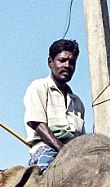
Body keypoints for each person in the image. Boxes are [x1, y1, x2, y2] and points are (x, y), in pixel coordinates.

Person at [23, 39, 85, 170]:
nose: (67, 65)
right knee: (48, 175)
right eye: (62, 60)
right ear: (50, 62)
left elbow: (81, 139)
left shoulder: (78, 103)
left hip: (74, 155)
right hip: (46, 149)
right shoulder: (39, 87)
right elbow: (37, 124)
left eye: (72, 62)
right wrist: (62, 150)